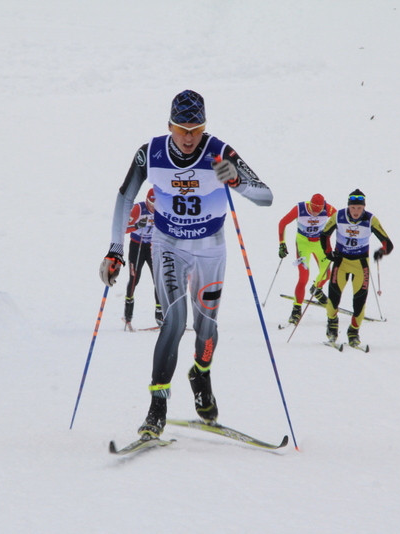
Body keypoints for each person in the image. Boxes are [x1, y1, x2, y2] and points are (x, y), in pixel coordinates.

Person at [99, 89, 273, 439]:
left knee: (206, 325)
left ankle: (201, 374)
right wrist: (116, 249)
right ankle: (157, 408)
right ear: (169, 126)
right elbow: (125, 195)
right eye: (182, 129)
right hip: (169, 245)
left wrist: (237, 181)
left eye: (196, 129)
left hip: (210, 246)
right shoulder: (150, 152)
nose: (190, 137)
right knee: (174, 321)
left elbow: (265, 196)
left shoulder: (221, 152)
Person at [319, 189, 393, 347]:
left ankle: (353, 332)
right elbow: (324, 234)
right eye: (353, 208)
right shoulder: (338, 216)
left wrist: (381, 252)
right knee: (333, 298)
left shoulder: (371, 220)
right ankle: (332, 325)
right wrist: (329, 253)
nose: (356, 211)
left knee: (359, 303)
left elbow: (388, 243)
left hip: (361, 264)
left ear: (364, 207)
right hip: (341, 262)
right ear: (348, 206)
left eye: (359, 208)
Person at [277, 193, 337, 324]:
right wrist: (282, 243)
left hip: (319, 244)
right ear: (310, 205)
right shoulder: (300, 208)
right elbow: (282, 223)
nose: (315, 214)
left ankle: (316, 289)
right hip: (303, 243)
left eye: (319, 211)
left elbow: (340, 222)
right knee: (303, 277)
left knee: (327, 274)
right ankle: (296, 309)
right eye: (313, 211)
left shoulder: (328, 209)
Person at [122, 188, 162, 329]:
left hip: (152, 247)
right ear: (147, 200)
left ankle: (160, 314)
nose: (153, 206)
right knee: (134, 279)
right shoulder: (138, 208)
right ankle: (128, 314)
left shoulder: (162, 209)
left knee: (158, 279)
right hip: (137, 246)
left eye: (156, 203)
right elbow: (124, 228)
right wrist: (136, 226)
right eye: (151, 202)